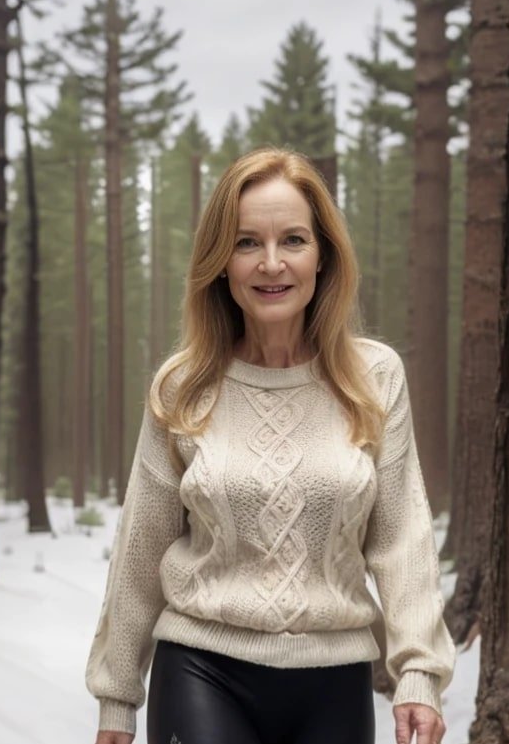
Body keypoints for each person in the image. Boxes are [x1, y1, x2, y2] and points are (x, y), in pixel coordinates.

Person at [86, 147, 455, 744]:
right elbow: (142, 548)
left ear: (323, 256)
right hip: (201, 669)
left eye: (294, 240)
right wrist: (116, 697)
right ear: (220, 261)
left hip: (335, 680)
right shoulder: (183, 387)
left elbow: (401, 537)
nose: (272, 263)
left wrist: (419, 671)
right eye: (247, 242)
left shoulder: (375, 378)